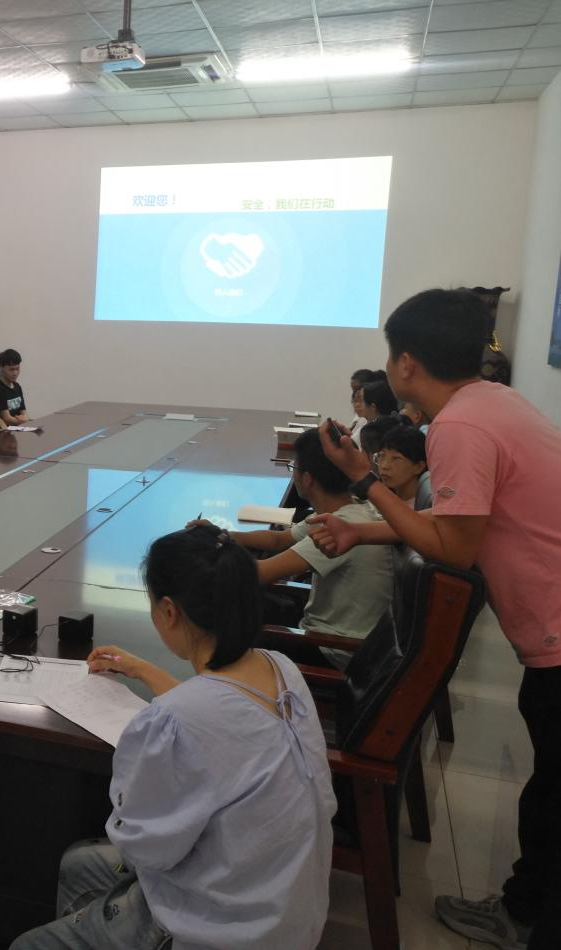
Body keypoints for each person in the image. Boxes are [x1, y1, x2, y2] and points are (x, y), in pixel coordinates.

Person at [311, 289, 561, 950]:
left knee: (553, 798)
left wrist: (363, 481)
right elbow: (459, 526)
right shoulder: (493, 401)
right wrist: (362, 528)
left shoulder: (460, 428)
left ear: (405, 363)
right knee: (550, 792)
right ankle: (523, 912)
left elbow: (453, 547)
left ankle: (528, 921)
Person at [9, 525, 334, 950]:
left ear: (168, 611)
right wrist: (143, 669)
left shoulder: (176, 719)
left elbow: (144, 848)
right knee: (79, 863)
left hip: (218, 931)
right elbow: (224, 718)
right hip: (284, 905)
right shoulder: (281, 667)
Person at [195, 428, 394, 668]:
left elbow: (259, 573)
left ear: (308, 478)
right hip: (343, 636)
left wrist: (201, 553)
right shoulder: (351, 508)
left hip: (334, 650)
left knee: (228, 621)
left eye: (294, 468)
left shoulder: (339, 527)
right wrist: (222, 534)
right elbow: (279, 540)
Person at [376, 424, 431, 511]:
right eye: (382, 455)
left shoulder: (425, 508)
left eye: (396, 458)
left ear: (419, 467)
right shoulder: (382, 499)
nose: (384, 466)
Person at [0, 348, 30, 426]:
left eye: (17, 369)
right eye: (11, 369)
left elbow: (24, 412)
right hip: (8, 428)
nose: (15, 373)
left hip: (20, 425)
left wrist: (25, 418)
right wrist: (23, 420)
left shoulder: (17, 386)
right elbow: (6, 418)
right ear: (1, 367)